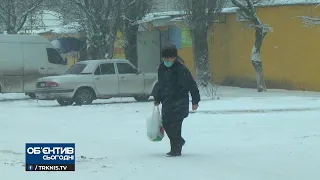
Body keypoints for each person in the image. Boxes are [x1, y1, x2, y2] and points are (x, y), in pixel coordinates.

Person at [154, 44, 200, 157]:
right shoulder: (162, 68)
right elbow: (160, 85)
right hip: (167, 101)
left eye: (168, 58)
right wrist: (157, 98)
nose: (166, 60)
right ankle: (178, 142)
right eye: (164, 58)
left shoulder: (181, 69)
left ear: (174, 57)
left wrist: (195, 101)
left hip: (180, 101)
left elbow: (192, 85)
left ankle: (175, 149)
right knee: (166, 123)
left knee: (175, 125)